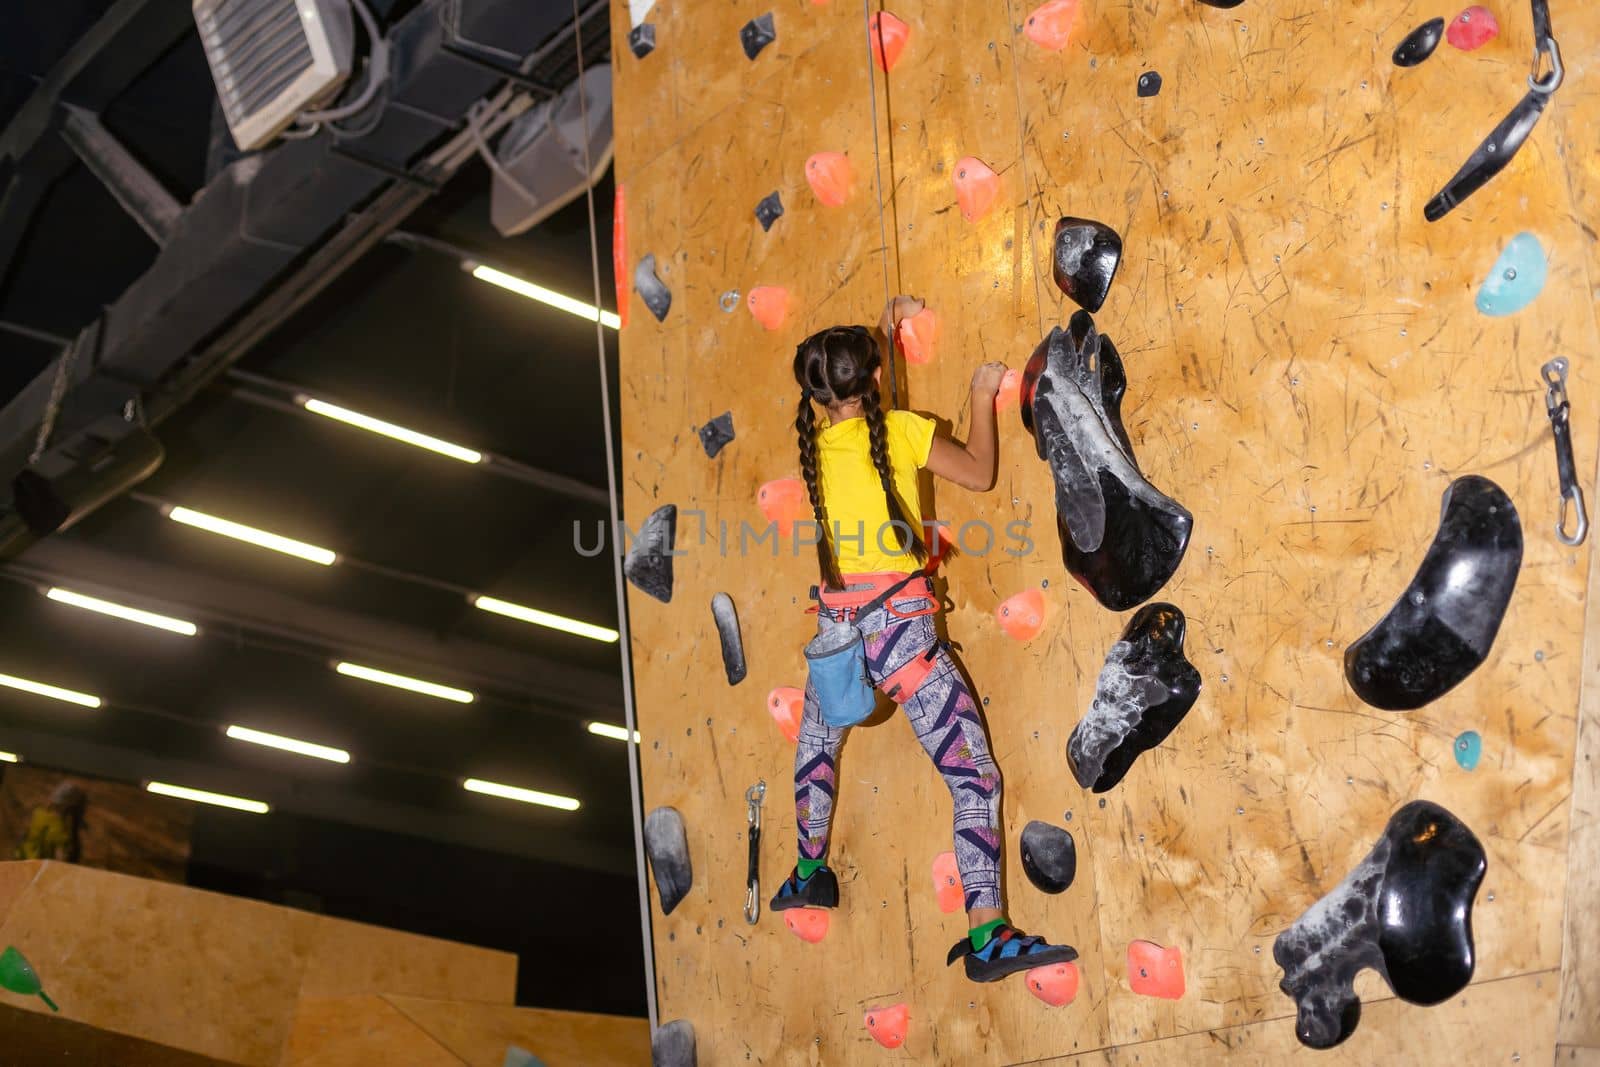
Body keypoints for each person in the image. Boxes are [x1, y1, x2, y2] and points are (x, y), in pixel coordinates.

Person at [769, 296, 1077, 983]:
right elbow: (977, 469)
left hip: (839, 638)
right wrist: (979, 389)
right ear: (875, 380)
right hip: (903, 641)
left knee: (817, 745)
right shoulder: (901, 430)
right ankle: (987, 931)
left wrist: (882, 334)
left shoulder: (813, 455)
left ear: (818, 396)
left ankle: (810, 870)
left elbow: (870, 433)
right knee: (975, 778)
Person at [16, 781, 87, 863]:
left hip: (26, 858)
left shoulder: (38, 813)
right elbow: (60, 857)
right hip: (33, 861)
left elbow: (25, 835)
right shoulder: (60, 827)